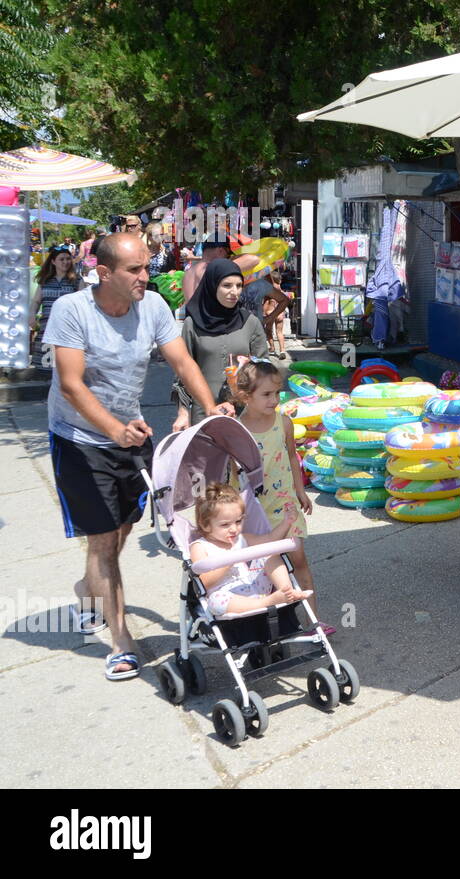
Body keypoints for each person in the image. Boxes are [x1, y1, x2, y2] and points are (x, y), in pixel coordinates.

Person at [43, 233, 235, 680]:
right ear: (104, 272)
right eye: (135, 269)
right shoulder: (73, 311)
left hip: (132, 434)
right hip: (80, 439)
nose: (145, 277)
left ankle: (87, 591)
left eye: (147, 267)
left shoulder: (151, 307)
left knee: (123, 528)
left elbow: (183, 362)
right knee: (105, 540)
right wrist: (113, 430)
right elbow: (71, 384)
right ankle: (122, 640)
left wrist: (210, 408)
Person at [231, 359, 327, 630]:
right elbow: (233, 475)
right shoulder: (238, 430)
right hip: (256, 512)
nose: (274, 400)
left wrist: (300, 491)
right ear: (245, 396)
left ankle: (315, 621)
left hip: (285, 506)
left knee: (299, 561)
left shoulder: (283, 423)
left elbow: (292, 457)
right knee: (264, 570)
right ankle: (271, 624)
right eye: (266, 394)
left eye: (277, 393)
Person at [173, 259, 269, 430]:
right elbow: (183, 373)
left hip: (244, 415)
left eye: (239, 286)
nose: (234, 292)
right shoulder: (192, 324)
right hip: (204, 414)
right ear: (212, 286)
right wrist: (183, 412)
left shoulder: (250, 322)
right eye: (227, 285)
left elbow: (264, 367)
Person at [189, 484, 310, 617]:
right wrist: (229, 560)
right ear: (205, 525)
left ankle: (286, 591)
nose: (234, 529)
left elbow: (271, 539)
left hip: (254, 587)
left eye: (238, 521)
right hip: (228, 598)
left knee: (268, 552)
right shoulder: (200, 546)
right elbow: (203, 582)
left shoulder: (241, 539)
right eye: (225, 525)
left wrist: (287, 522)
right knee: (215, 601)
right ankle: (268, 601)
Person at [30, 245, 83, 354]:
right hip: (46, 328)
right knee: (44, 365)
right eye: (61, 259)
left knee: (64, 364)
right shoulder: (45, 280)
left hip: (68, 329)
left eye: (68, 259)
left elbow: (83, 305)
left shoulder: (77, 280)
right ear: (53, 262)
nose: (65, 262)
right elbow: (36, 301)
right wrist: (31, 315)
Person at [181, 234, 233, 303]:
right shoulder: (215, 270)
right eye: (228, 254)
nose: (228, 258)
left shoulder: (188, 273)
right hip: (209, 313)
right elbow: (251, 259)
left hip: (190, 313)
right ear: (220, 250)